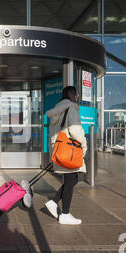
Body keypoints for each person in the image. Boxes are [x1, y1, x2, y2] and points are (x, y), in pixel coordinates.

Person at [44, 86, 87, 225]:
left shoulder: (56, 111)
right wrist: (84, 145)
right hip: (70, 150)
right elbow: (75, 131)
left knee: (72, 179)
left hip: (59, 150)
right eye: (76, 94)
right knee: (70, 181)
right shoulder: (71, 108)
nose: (77, 97)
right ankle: (65, 214)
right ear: (70, 93)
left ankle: (54, 202)